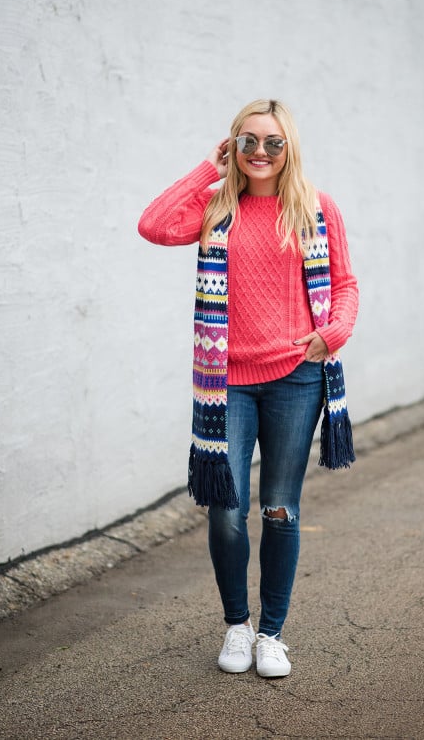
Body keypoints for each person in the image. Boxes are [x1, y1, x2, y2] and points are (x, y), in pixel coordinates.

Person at [138, 99, 358, 678]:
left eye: (273, 142)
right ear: (233, 146)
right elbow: (153, 225)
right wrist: (205, 171)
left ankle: (271, 635)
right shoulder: (216, 208)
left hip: (296, 378)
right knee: (227, 512)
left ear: (290, 148)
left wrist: (332, 332)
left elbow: (344, 284)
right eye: (248, 141)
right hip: (226, 382)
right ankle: (237, 625)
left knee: (280, 509)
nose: (261, 152)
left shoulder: (316, 208)